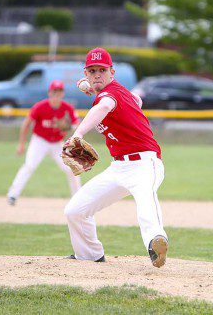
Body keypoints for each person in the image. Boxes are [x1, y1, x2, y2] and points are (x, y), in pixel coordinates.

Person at [63, 47, 169, 268]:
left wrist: (78, 133)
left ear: (112, 72)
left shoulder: (108, 97)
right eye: (92, 71)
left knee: (145, 202)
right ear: (86, 74)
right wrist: (94, 90)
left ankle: (156, 241)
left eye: (102, 70)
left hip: (145, 163)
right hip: (118, 168)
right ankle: (90, 254)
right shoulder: (120, 93)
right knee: (75, 211)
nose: (97, 75)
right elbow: (136, 101)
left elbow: (104, 106)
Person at [7, 80, 81, 205]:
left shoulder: (67, 108)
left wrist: (71, 127)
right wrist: (21, 144)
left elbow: (76, 125)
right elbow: (26, 124)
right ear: (50, 93)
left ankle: (78, 198)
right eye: (54, 91)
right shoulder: (40, 106)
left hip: (57, 143)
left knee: (70, 168)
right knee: (29, 165)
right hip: (40, 141)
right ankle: (12, 195)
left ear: (63, 93)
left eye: (59, 91)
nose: (57, 93)